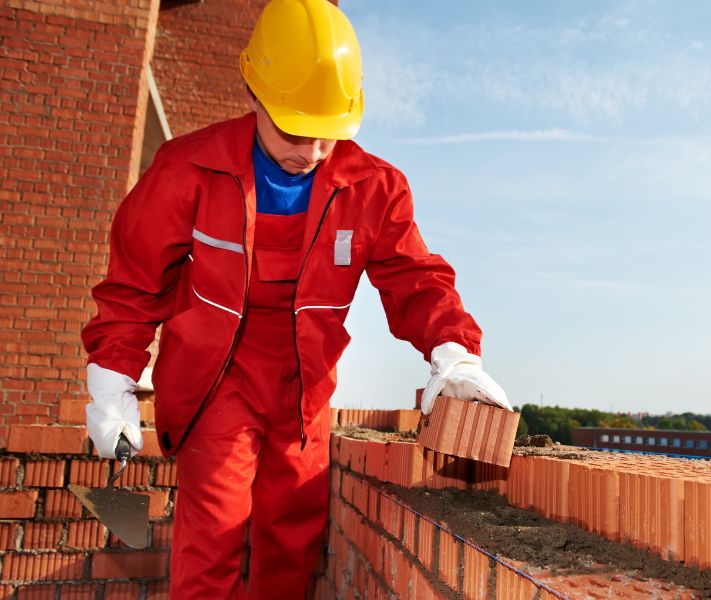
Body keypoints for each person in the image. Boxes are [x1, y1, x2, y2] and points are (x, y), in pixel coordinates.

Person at [80, 1, 510, 597]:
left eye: (327, 135)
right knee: (215, 533)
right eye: (293, 130)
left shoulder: (375, 189)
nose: (309, 151)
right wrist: (111, 381)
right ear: (253, 93)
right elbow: (135, 282)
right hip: (217, 380)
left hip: (305, 388)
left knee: (291, 539)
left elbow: (414, 278)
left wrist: (454, 352)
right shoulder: (188, 169)